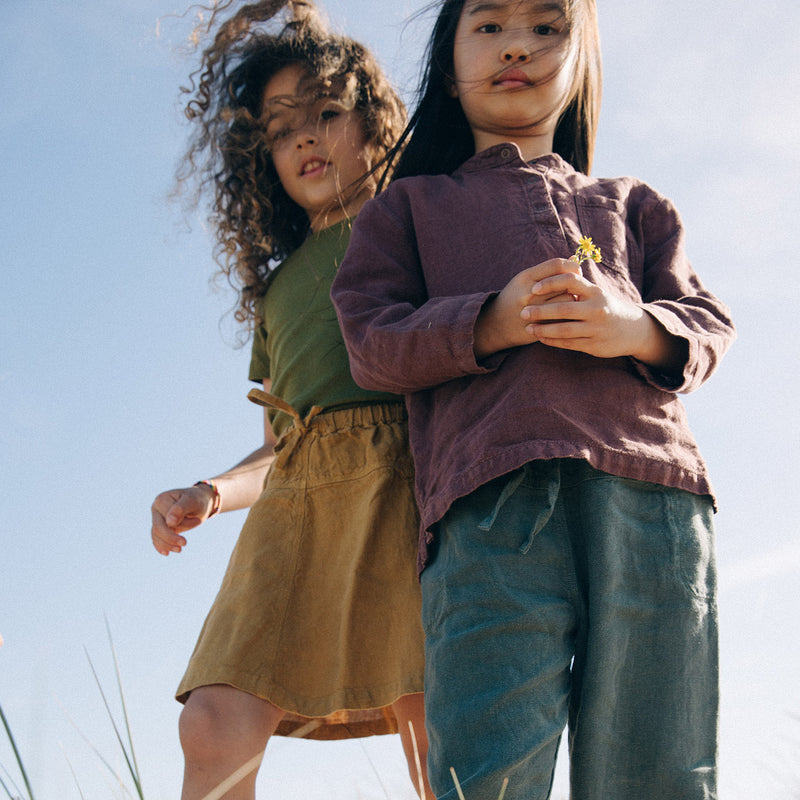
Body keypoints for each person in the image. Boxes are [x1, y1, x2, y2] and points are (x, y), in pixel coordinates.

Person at [330, 1, 736, 798]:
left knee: (658, 772)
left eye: (548, 27)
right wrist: (487, 322)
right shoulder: (405, 210)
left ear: (581, 60)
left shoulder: (635, 205)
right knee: (487, 771)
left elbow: (707, 324)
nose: (517, 44)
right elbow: (371, 343)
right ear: (450, 64)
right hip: (489, 508)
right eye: (488, 26)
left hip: (656, 501)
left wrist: (636, 328)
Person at [150, 2, 431, 798]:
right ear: (260, 159)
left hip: (403, 488)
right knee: (211, 719)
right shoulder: (277, 295)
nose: (304, 137)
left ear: (376, 124)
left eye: (326, 113)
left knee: (432, 719)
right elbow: (280, 447)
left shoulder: (413, 223)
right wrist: (210, 492)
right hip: (297, 506)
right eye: (280, 128)